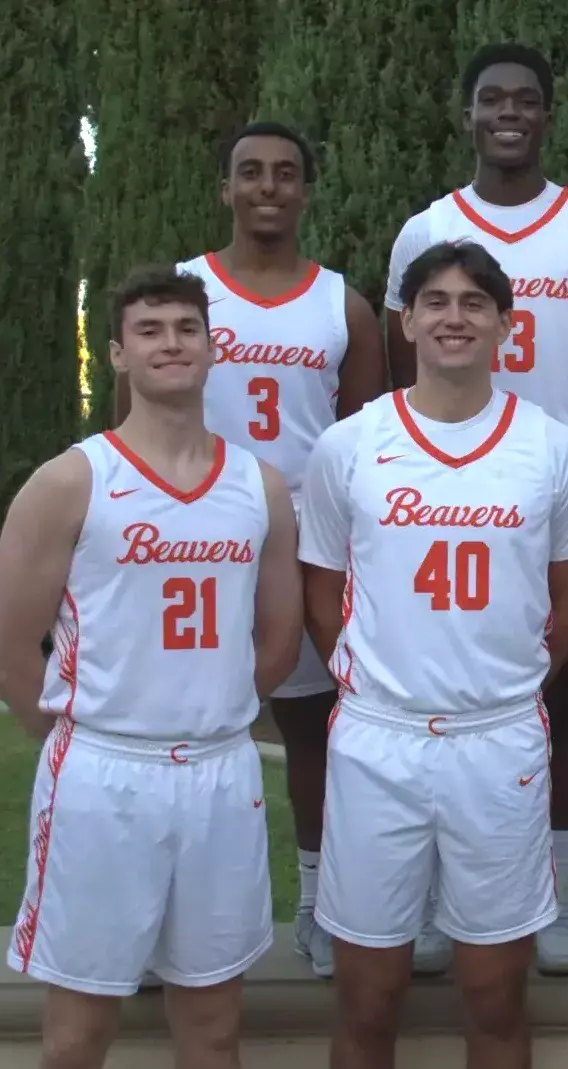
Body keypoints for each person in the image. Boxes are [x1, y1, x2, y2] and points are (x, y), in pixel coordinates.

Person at [0, 265, 301, 1069]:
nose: (171, 343)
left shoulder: (259, 485)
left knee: (214, 1029)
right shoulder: (71, 481)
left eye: (187, 328)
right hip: (103, 774)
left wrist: (210, 706)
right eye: (149, 330)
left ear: (213, 346)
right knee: (78, 1036)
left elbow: (277, 639)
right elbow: (8, 654)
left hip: (220, 772)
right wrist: (81, 742)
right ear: (118, 354)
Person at [300, 240, 568, 1069]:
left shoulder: (551, 448)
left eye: (474, 303)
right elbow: (323, 590)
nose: (453, 317)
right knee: (367, 995)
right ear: (406, 321)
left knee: (496, 996)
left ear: (506, 324)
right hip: (378, 737)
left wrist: (514, 677)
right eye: (435, 301)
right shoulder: (349, 445)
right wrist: (368, 673)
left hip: (497, 740)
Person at [382, 41, 568, 976]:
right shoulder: (426, 228)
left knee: (555, 689)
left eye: (526, 99)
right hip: (441, 483)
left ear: (548, 115)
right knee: (429, 686)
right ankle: (435, 898)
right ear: (469, 115)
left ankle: (559, 896)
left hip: (547, 479)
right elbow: (403, 357)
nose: (509, 113)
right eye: (492, 98)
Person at [135, 121, 387, 979]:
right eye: (250, 171)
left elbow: (365, 444)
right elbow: (132, 429)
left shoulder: (343, 305)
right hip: (195, 535)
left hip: (305, 539)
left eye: (285, 172)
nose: (268, 186)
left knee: (314, 730)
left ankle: (319, 905)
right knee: (171, 726)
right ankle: (158, 919)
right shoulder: (187, 293)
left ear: (306, 190)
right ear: (226, 188)